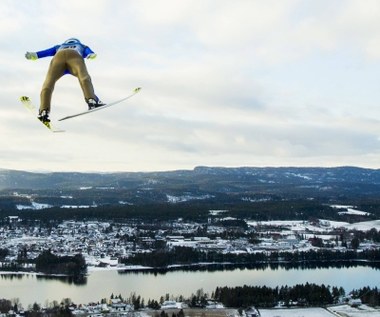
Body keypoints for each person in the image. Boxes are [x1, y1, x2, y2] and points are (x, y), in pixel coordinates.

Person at [25, 38, 104, 123]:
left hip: (58, 58)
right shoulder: (82, 46)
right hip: (75, 57)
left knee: (49, 82)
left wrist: (33, 55)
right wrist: (91, 55)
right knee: (84, 77)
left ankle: (44, 111)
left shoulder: (59, 47)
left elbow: (45, 52)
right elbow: (90, 53)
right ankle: (91, 100)